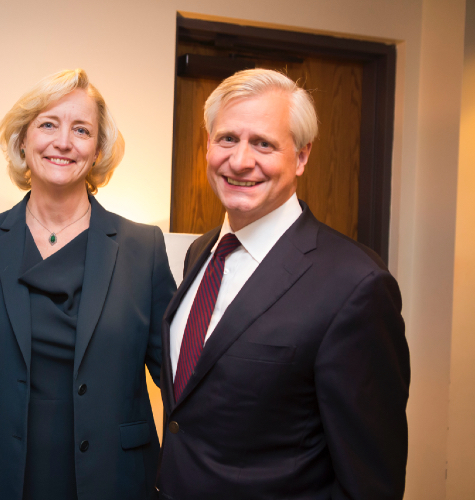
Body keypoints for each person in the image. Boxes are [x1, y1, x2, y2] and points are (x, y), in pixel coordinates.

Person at [156, 69, 410, 500]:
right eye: (227, 139)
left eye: (264, 144)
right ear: (207, 146)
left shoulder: (355, 286)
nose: (239, 161)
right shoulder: (201, 253)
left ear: (302, 156)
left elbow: (371, 481)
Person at [0, 69, 176, 500]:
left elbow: (176, 378)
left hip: (115, 478)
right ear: (23, 140)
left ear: (97, 151)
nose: (63, 141)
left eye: (81, 130)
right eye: (48, 124)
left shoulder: (141, 247)